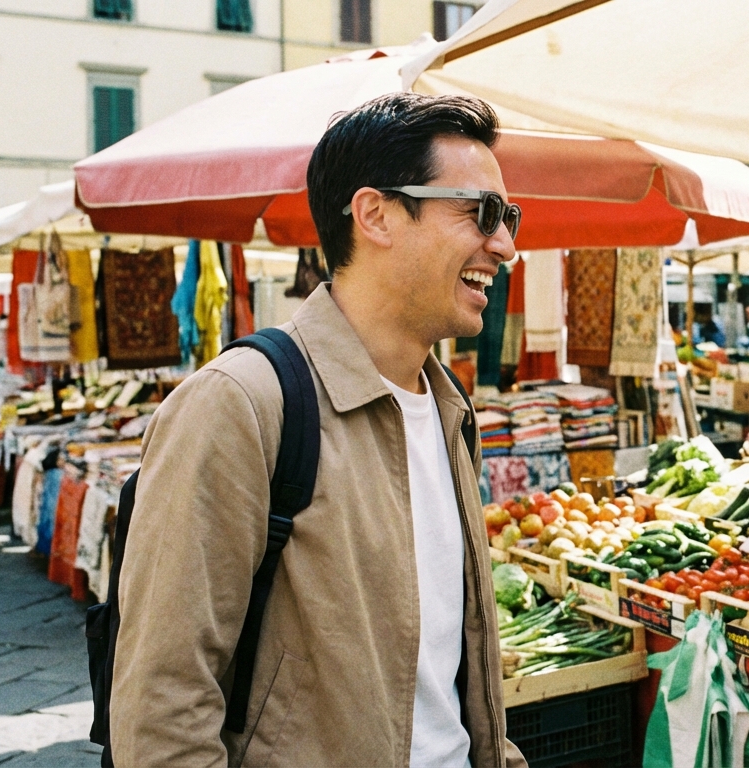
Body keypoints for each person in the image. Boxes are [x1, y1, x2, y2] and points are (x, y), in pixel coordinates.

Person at [111, 93, 526, 767]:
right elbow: (163, 714)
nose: (504, 244)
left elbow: (450, 682)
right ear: (376, 214)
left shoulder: (451, 413)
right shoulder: (241, 404)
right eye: (480, 212)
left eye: (507, 217)